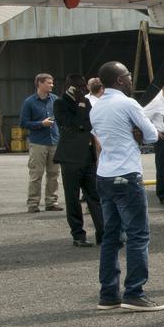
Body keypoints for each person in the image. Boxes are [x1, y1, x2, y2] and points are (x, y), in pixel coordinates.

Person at [91, 61, 163, 312]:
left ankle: (108, 293)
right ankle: (134, 292)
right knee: (138, 235)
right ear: (119, 80)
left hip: (105, 175)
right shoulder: (128, 103)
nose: (132, 79)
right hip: (127, 173)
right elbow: (152, 135)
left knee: (111, 236)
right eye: (128, 76)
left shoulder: (96, 106)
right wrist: (139, 133)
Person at [53, 74, 103, 248]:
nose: (83, 90)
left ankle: (102, 232)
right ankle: (78, 234)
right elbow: (69, 124)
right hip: (70, 157)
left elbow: (88, 125)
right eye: (79, 87)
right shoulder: (60, 103)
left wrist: (81, 113)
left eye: (84, 87)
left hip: (87, 156)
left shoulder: (86, 102)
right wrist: (80, 107)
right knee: (72, 198)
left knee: (94, 196)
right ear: (70, 87)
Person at [19, 73, 61, 213]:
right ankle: (33, 203)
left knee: (54, 174)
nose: (52, 85)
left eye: (52, 82)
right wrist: (41, 124)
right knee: (36, 174)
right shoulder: (29, 102)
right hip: (38, 143)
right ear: (40, 84)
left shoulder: (55, 100)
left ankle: (51, 202)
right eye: (49, 83)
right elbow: (23, 123)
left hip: (54, 141)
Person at [143, 80, 164, 204]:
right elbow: (143, 117)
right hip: (162, 139)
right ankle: (162, 195)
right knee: (161, 168)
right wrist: (154, 132)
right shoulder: (156, 102)